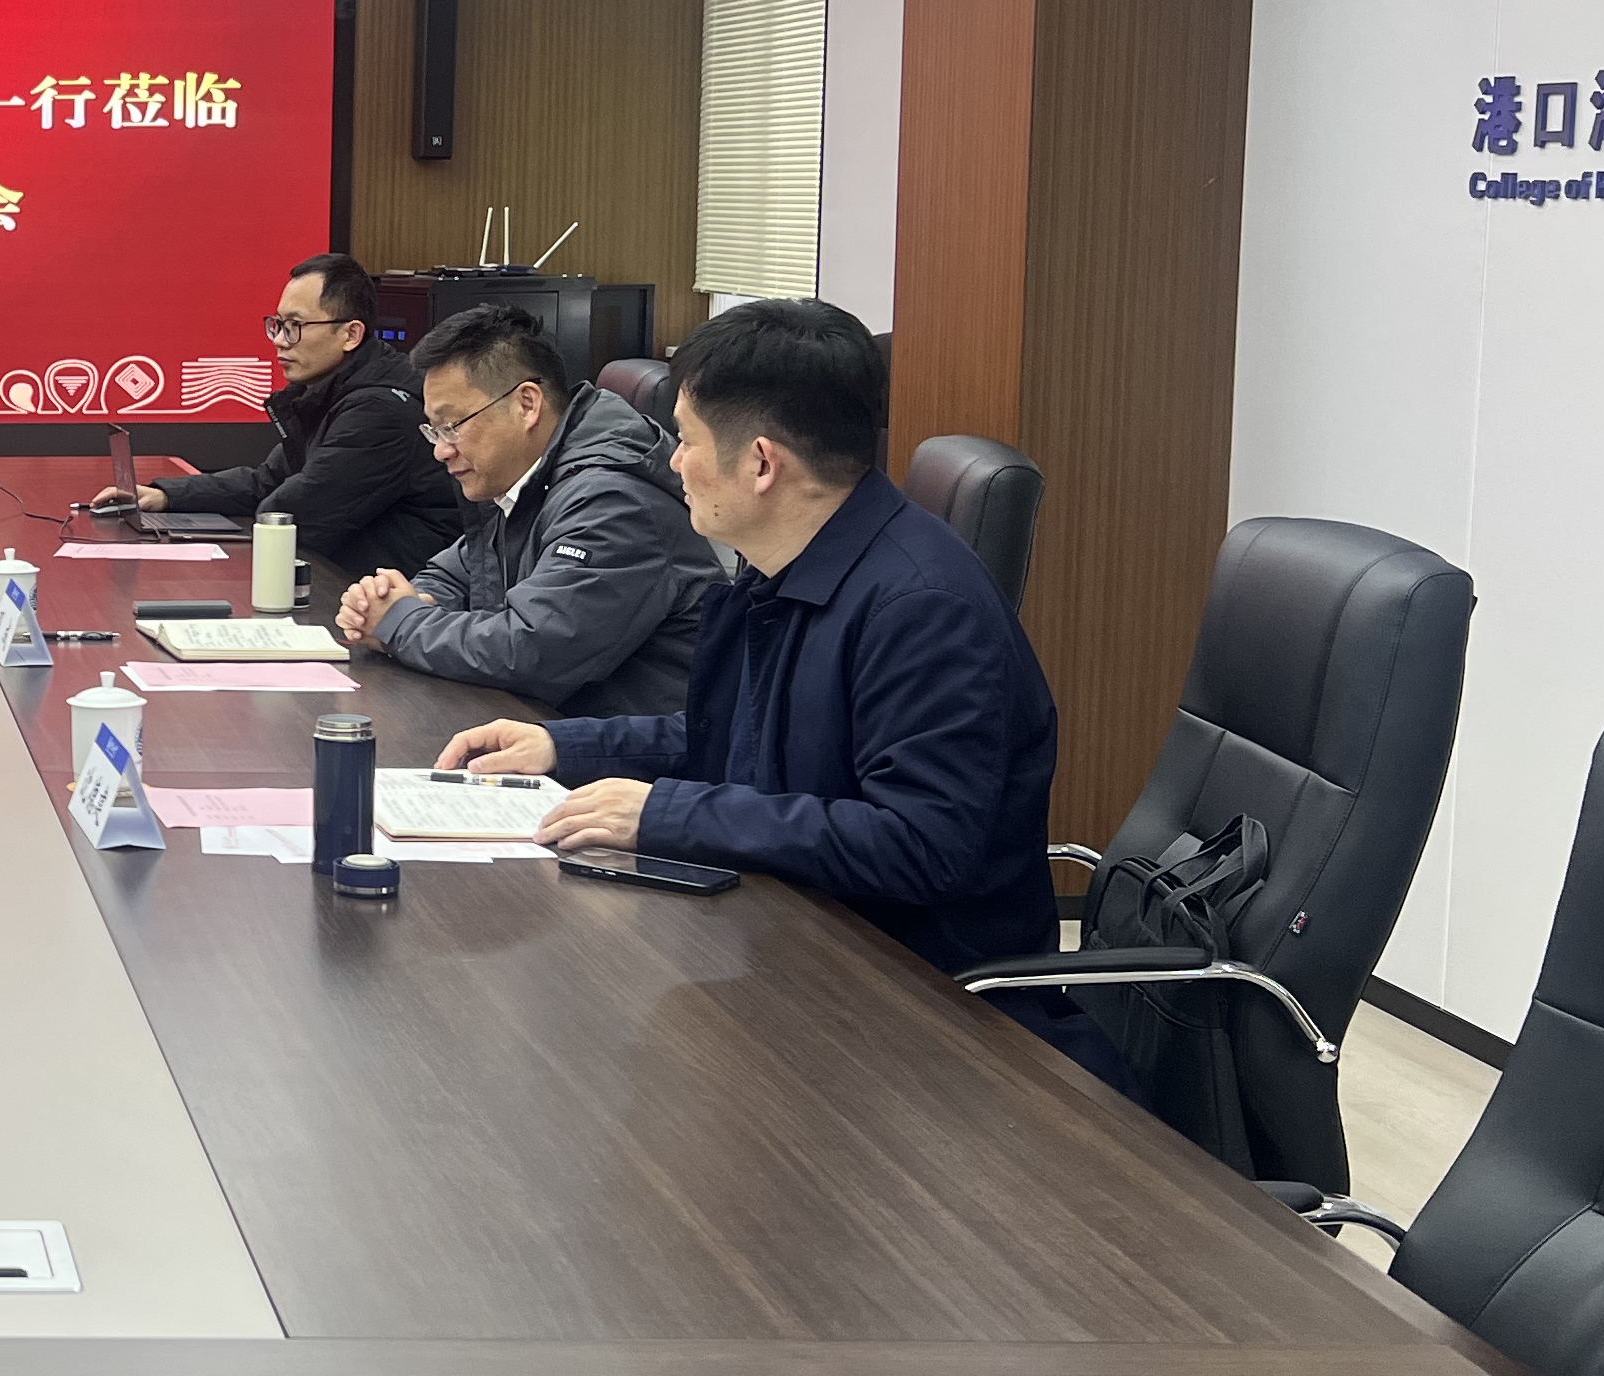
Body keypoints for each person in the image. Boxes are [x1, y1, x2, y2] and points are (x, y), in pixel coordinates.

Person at [433, 300, 1125, 1088]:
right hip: (796, 947)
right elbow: (730, 736)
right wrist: (564, 746)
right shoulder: (786, 569)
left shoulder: (923, 609)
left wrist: (667, 814)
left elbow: (918, 845)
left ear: (761, 464)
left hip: (920, 1012)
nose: (673, 464)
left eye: (687, 441)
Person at [335, 303, 716, 717]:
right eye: (434, 430)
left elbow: (534, 649)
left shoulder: (614, 500)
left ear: (527, 405)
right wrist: (402, 600)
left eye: (452, 426)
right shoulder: (524, 478)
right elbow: (456, 574)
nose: (441, 450)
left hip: (632, 748)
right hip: (548, 726)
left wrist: (400, 623)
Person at [89, 251, 457, 569]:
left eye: (295, 326)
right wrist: (167, 495)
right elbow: (267, 481)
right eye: (278, 325)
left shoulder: (380, 411)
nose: (280, 340)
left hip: (390, 593)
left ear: (350, 335)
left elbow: (293, 515)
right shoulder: (329, 392)